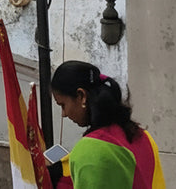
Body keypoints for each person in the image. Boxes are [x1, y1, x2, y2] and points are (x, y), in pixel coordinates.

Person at [50, 60, 166, 189]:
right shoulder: (143, 136)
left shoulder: (90, 149)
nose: (64, 114)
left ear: (81, 96)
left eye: (62, 105)